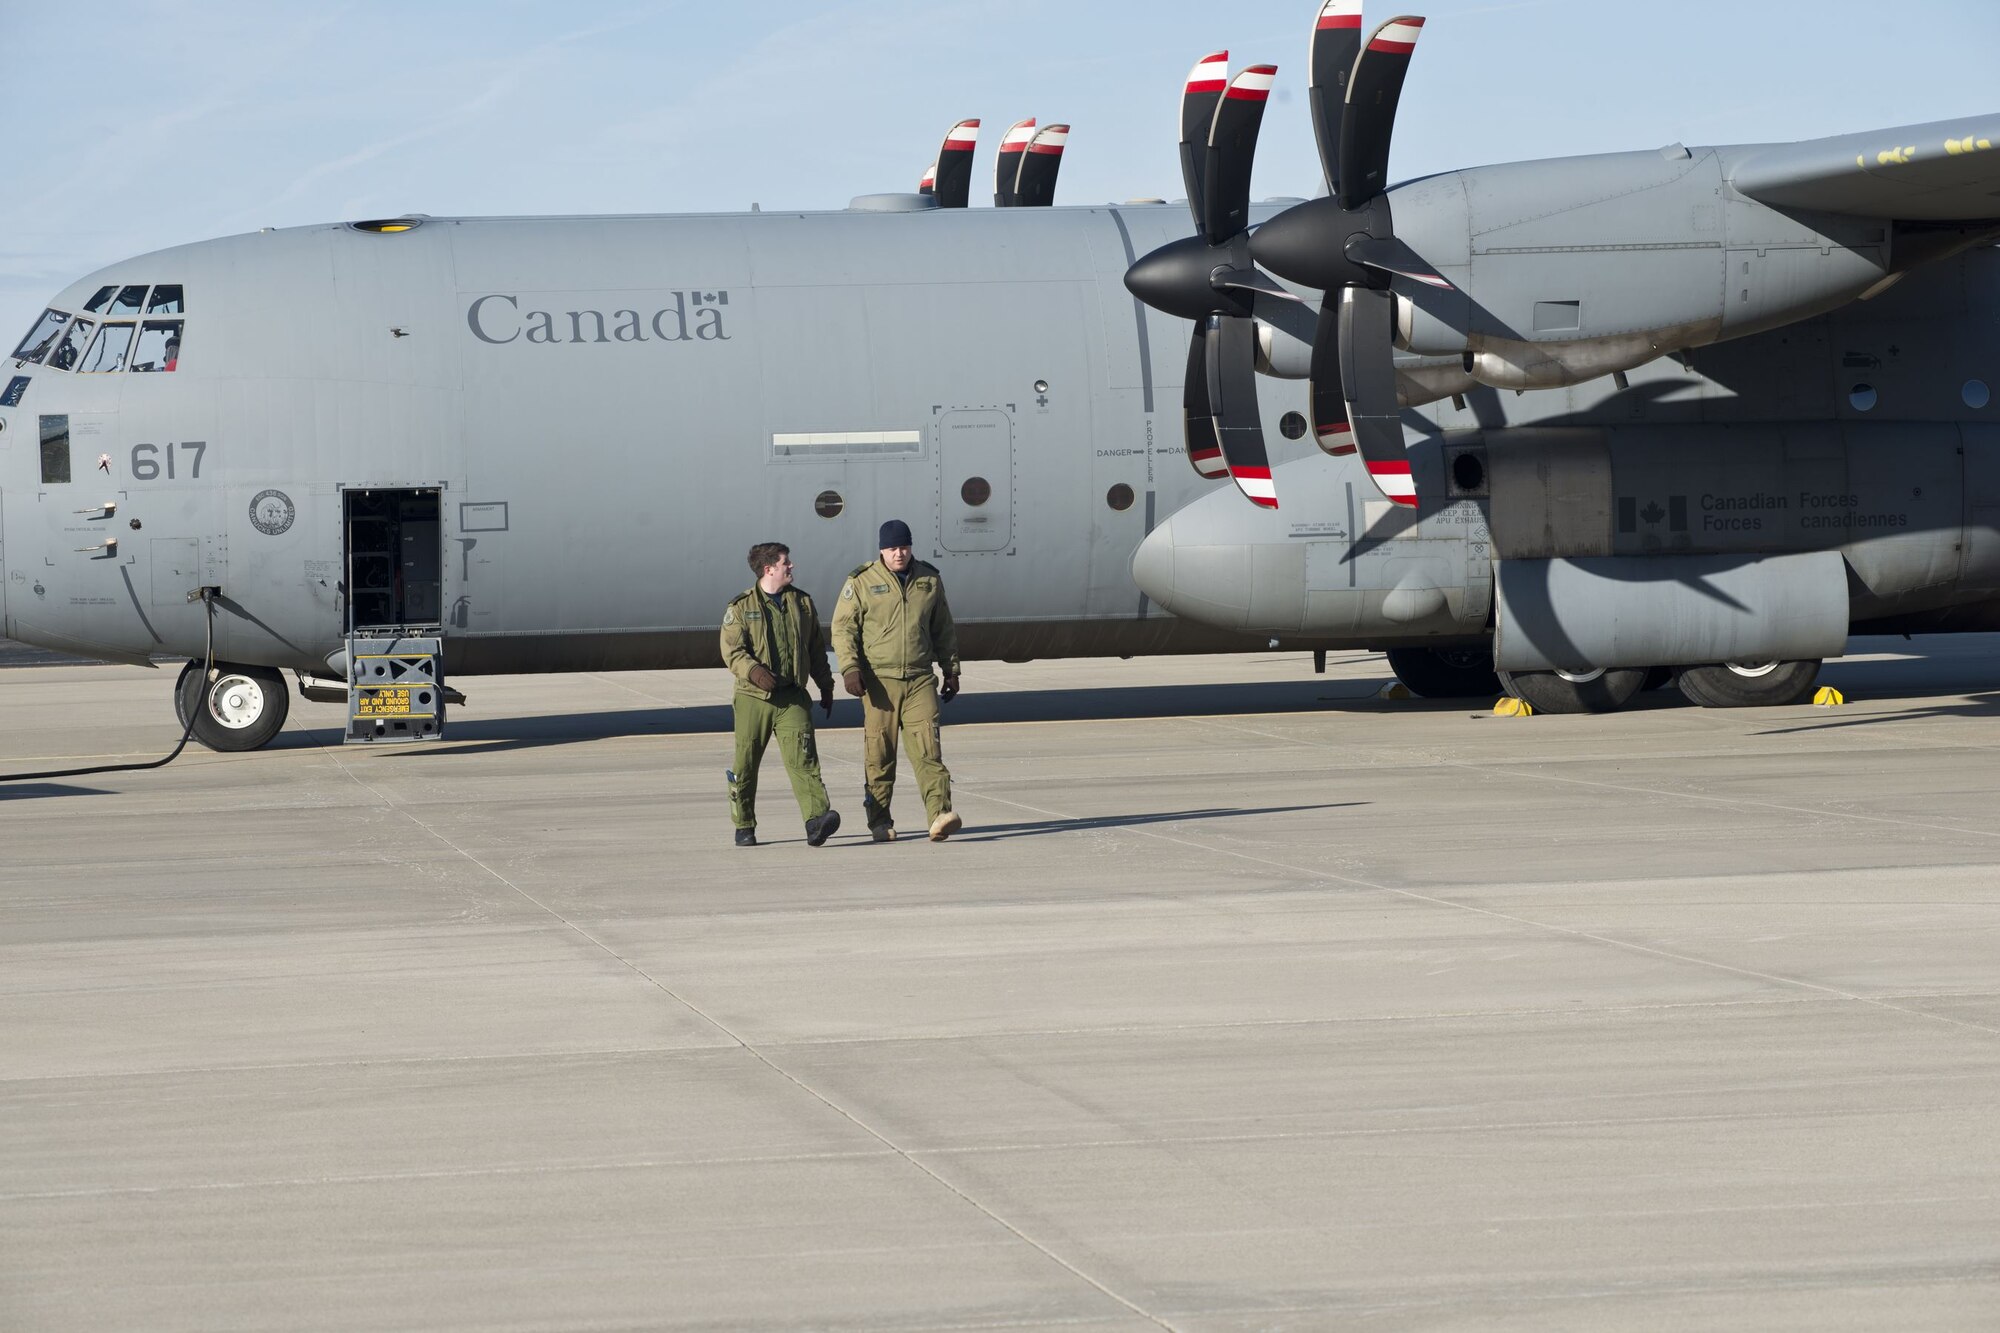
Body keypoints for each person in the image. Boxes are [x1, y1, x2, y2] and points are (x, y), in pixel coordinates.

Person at [832, 519, 963, 842]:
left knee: (928, 750)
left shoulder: (929, 579)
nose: (899, 554)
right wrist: (849, 669)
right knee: (880, 754)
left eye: (904, 547)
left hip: (919, 678)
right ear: (881, 550)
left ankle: (939, 815)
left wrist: (951, 669)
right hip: (880, 682)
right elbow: (843, 628)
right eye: (892, 549)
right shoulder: (862, 581)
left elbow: (942, 627)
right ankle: (879, 821)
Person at [720, 542, 840, 848]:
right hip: (753, 699)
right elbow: (732, 651)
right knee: (746, 764)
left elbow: (815, 648)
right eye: (786, 562)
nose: (792, 567)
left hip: (792, 697)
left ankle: (816, 821)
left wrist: (825, 684)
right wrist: (754, 671)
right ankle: (744, 824)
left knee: (804, 761)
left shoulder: (802, 604)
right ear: (768, 568)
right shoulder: (741, 607)